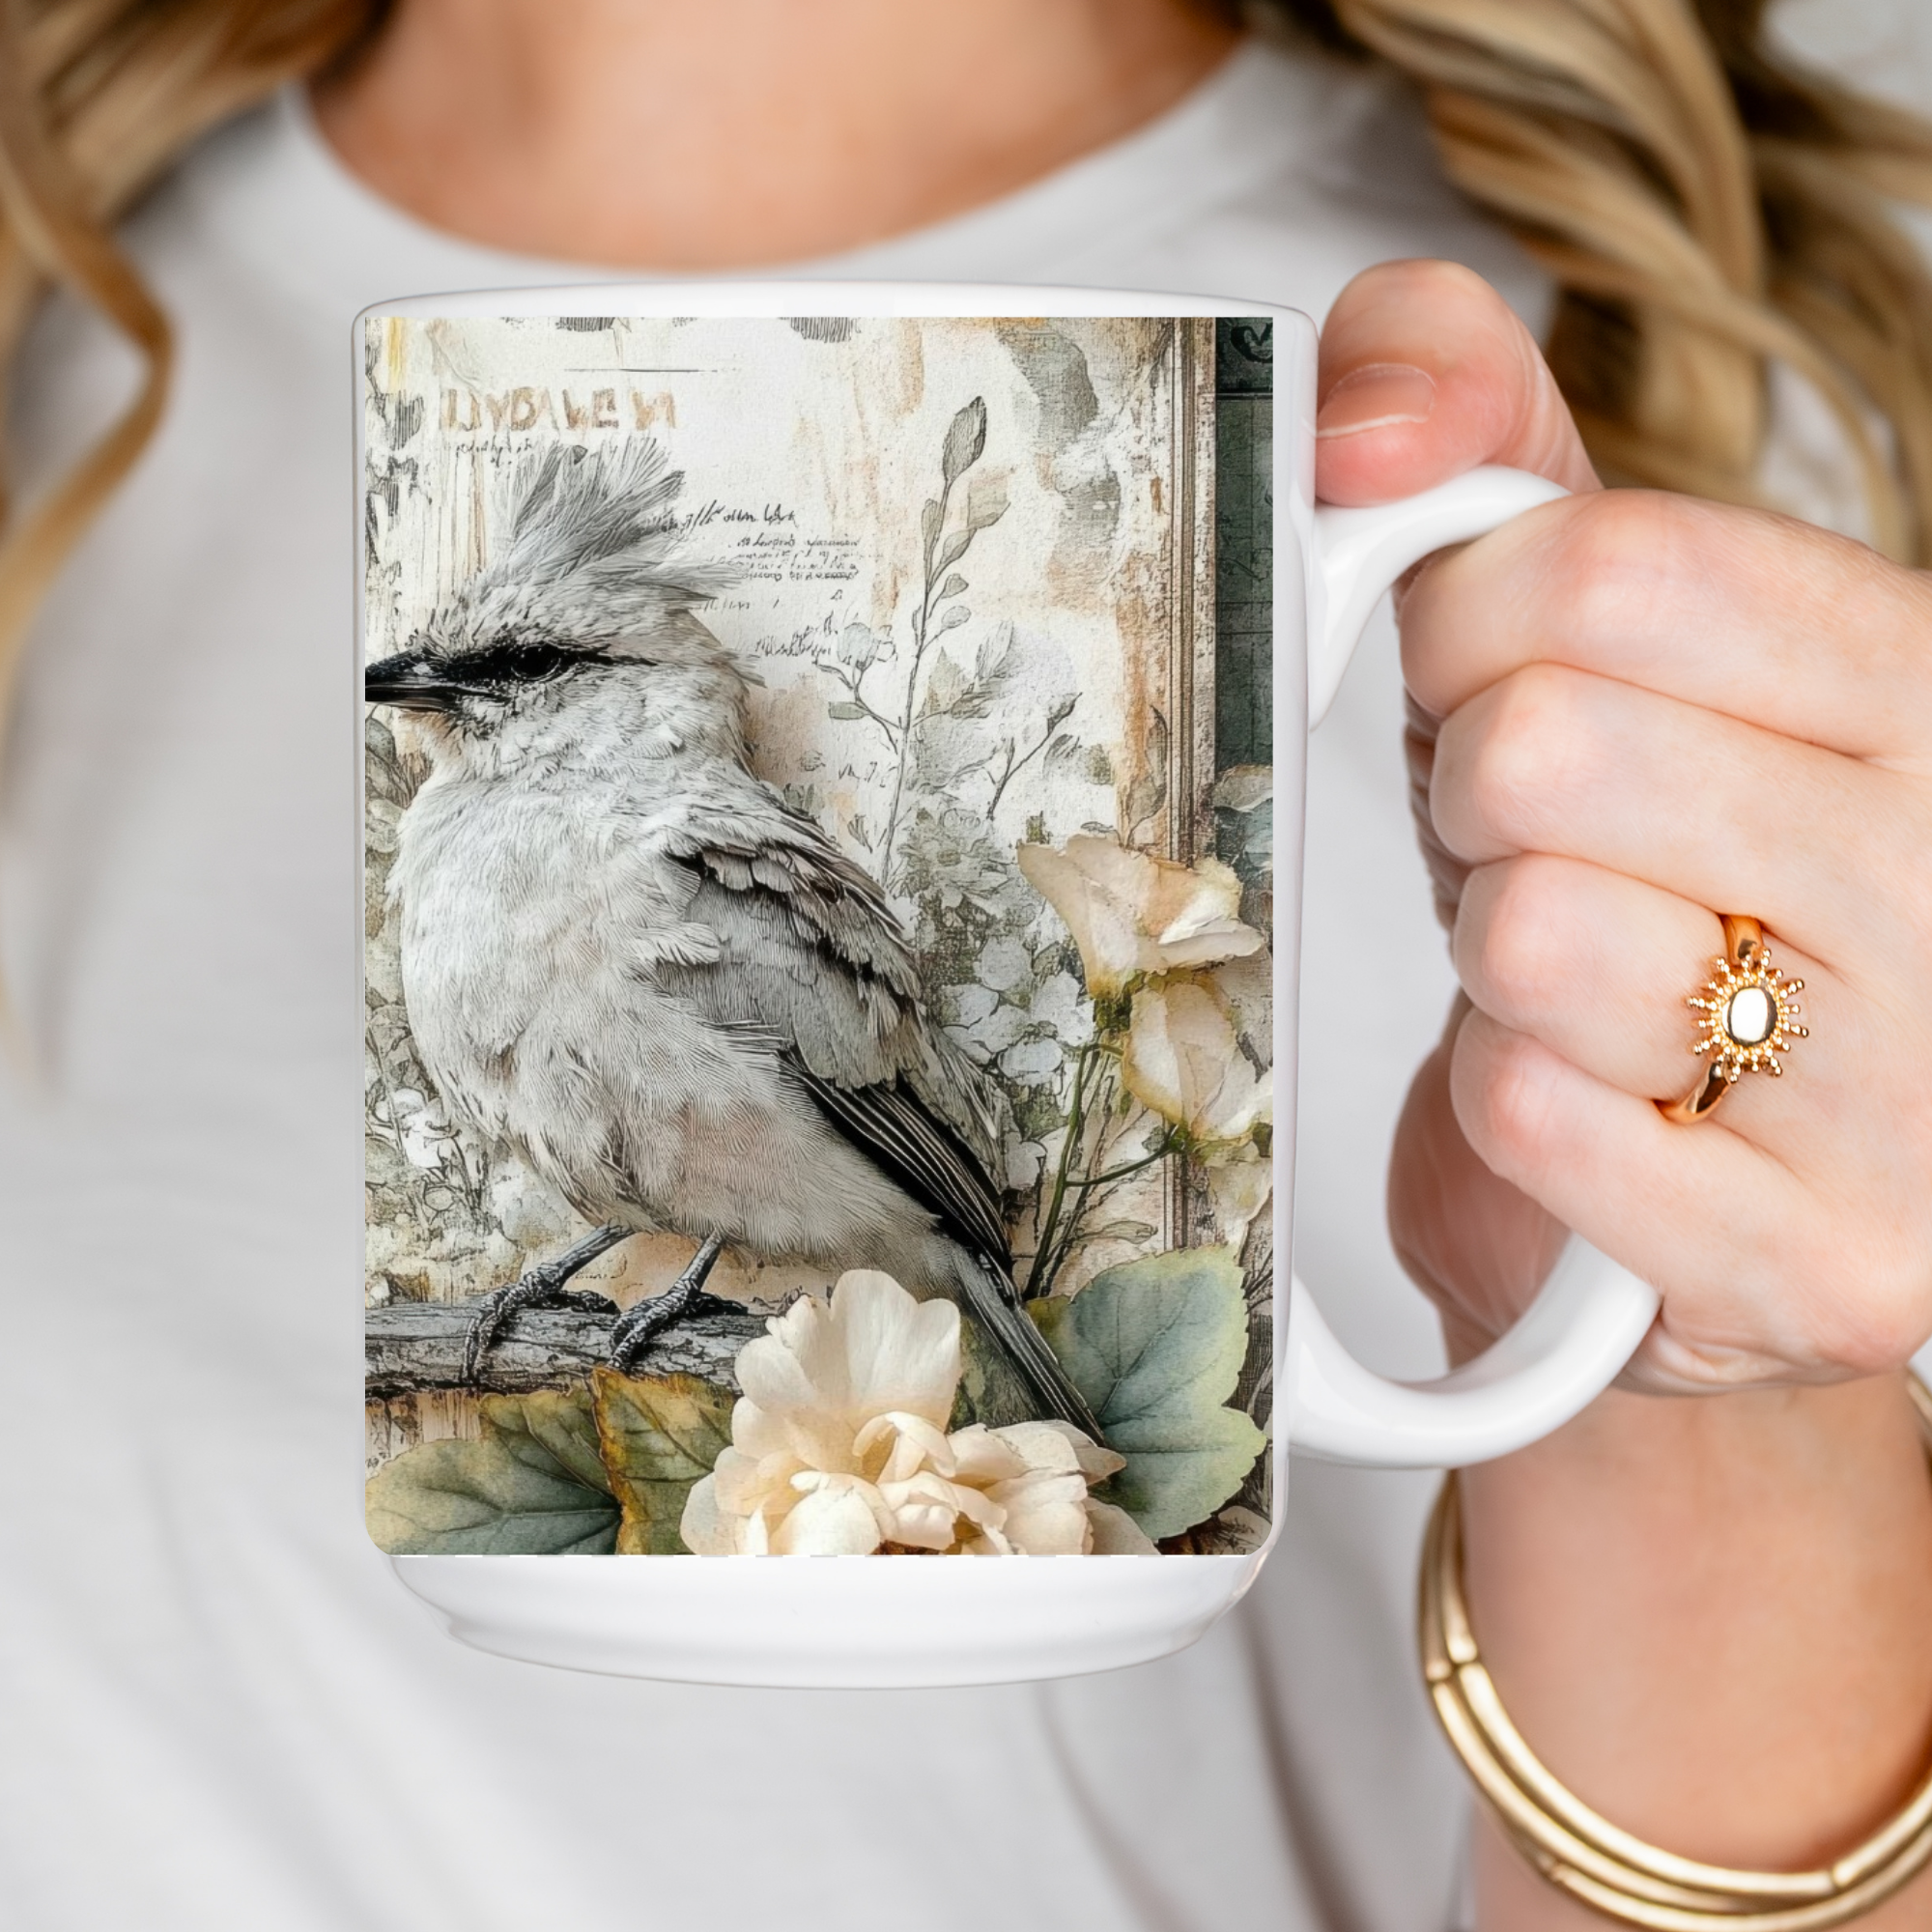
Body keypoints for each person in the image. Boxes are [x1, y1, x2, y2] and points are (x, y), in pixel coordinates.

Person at [1, 2, 1928, 1928]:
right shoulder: (53, 301)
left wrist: (1675, 1377)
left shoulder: (1736, 418)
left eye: (514, 679)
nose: (446, 700)